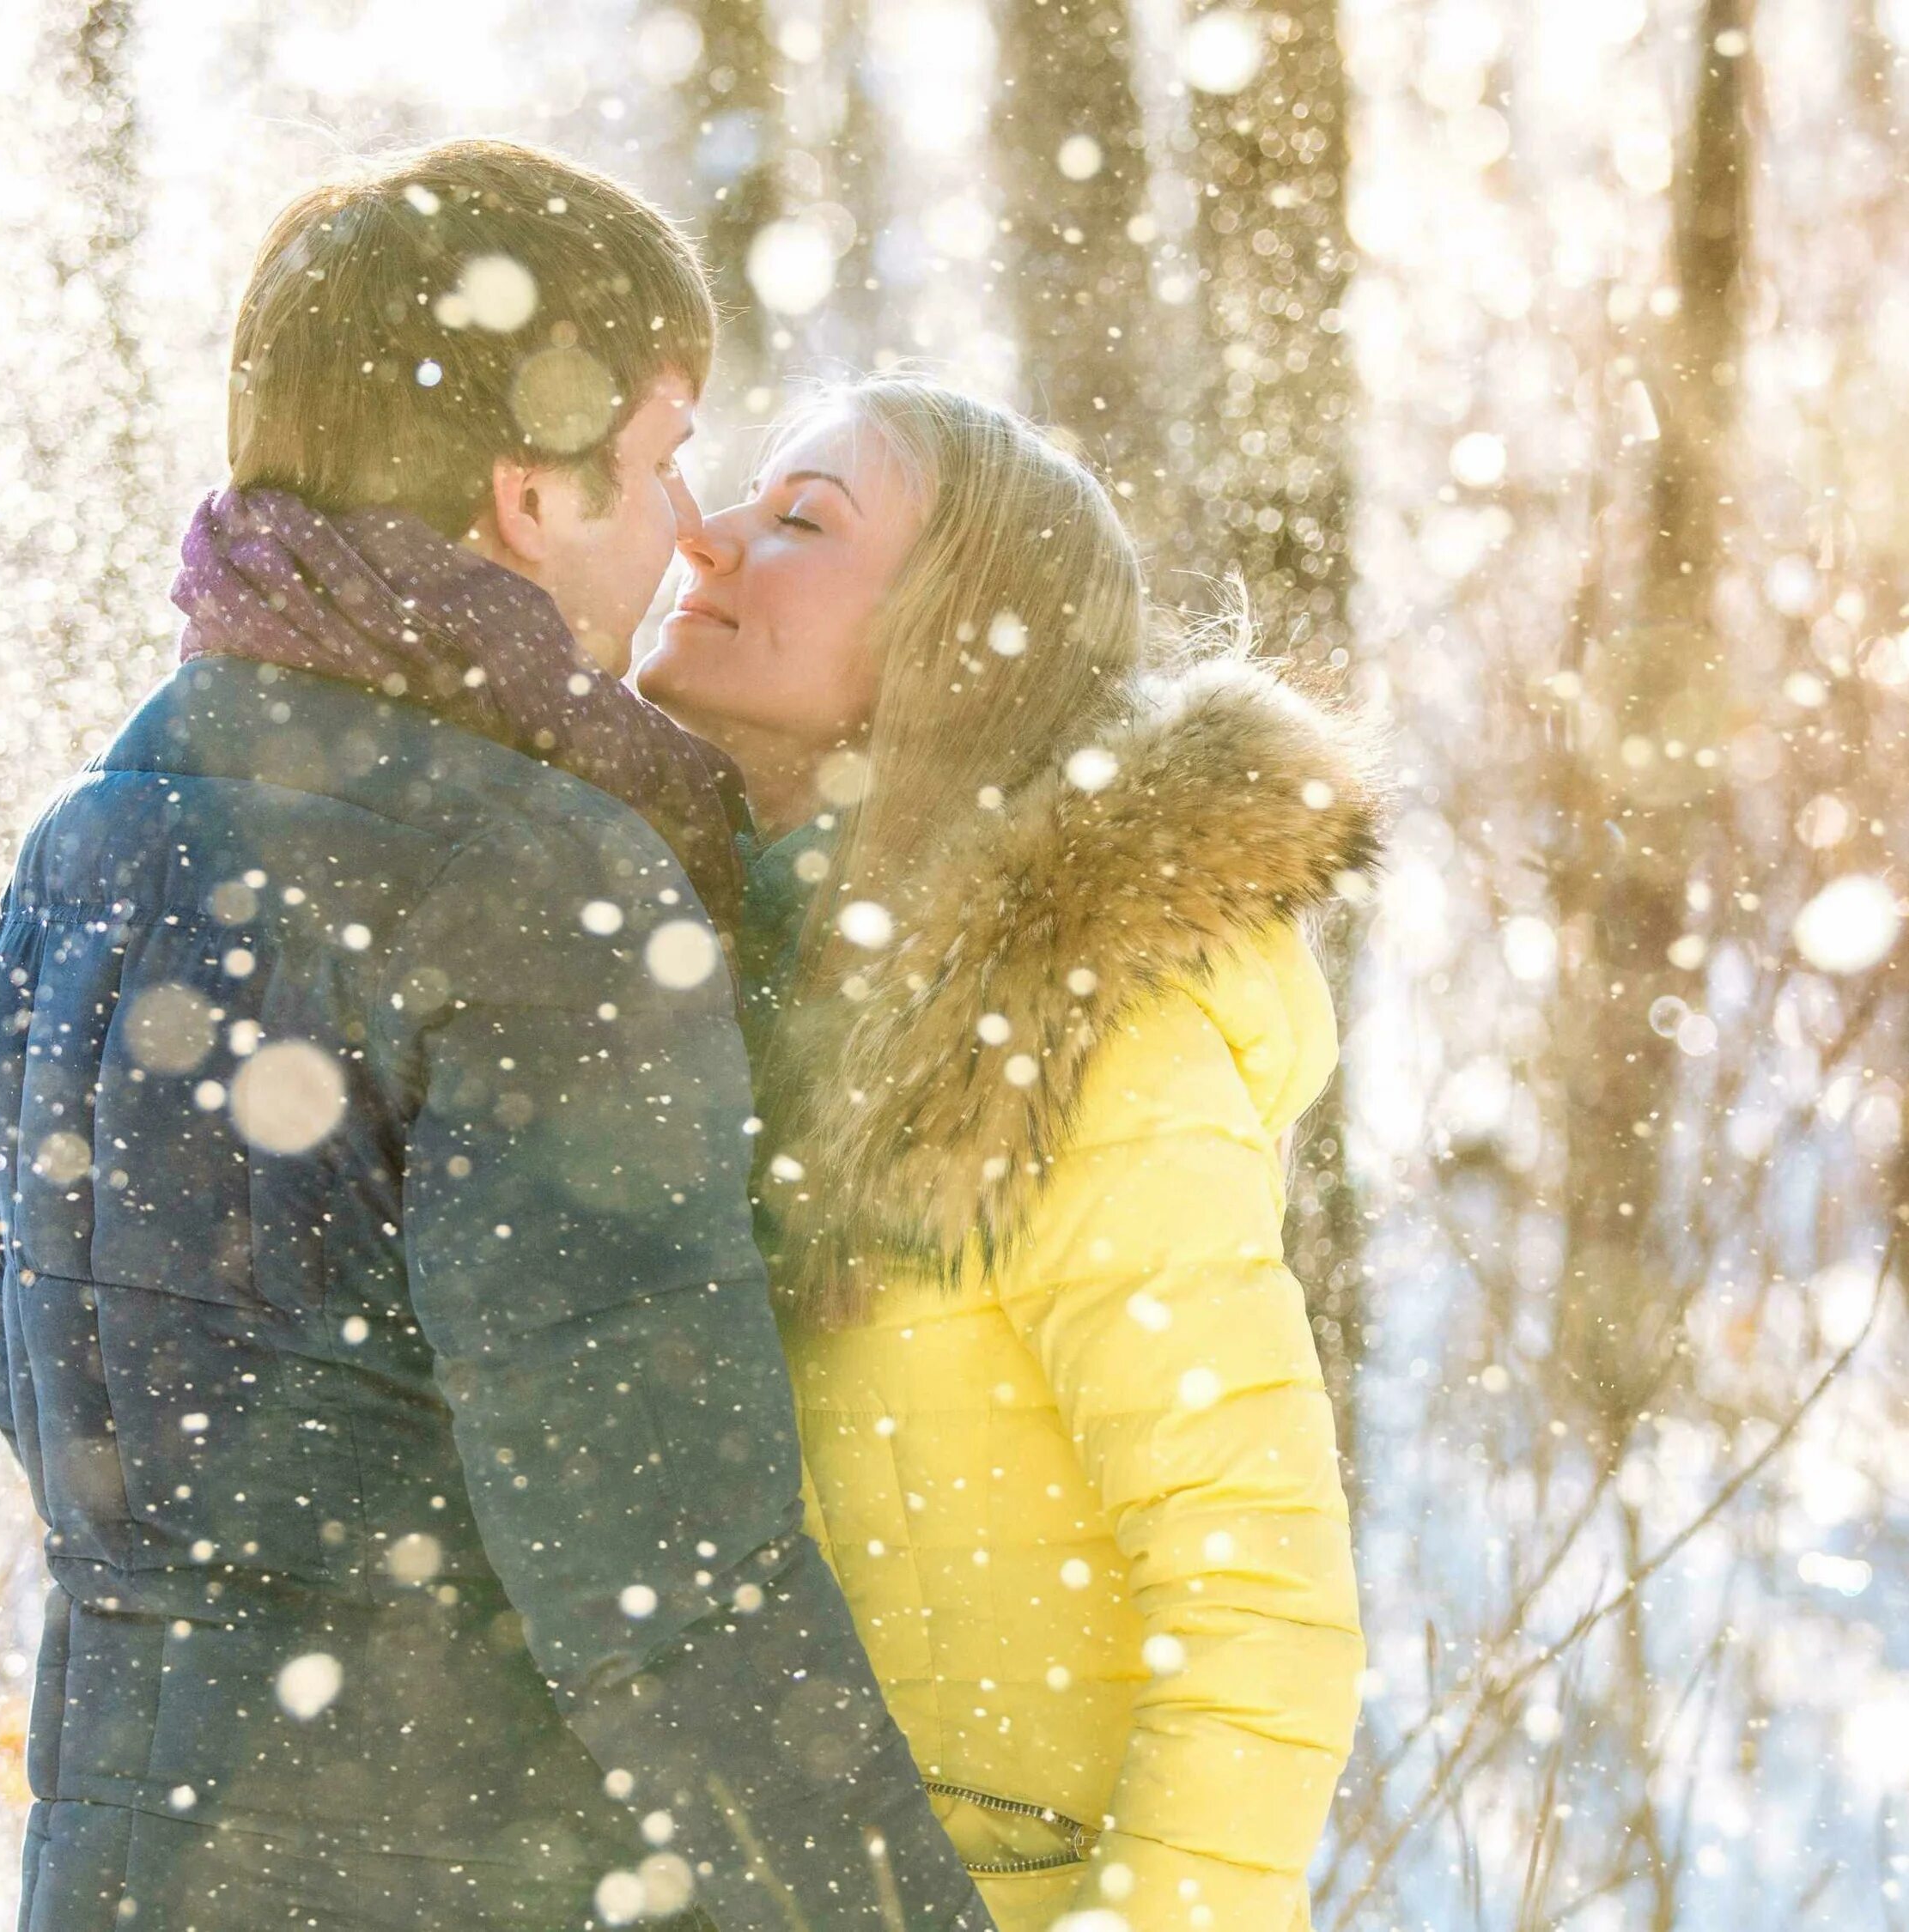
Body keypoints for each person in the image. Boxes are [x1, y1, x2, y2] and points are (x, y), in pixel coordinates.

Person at [0, 145, 996, 1932]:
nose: (693, 527)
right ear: (528, 495)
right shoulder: (538, 883)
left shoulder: (99, 830)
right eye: (670, 459)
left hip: (125, 1857)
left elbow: (74, 1420)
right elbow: (671, 1577)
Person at [639, 378, 1381, 1932]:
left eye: (801, 521)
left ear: (953, 645)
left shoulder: (1085, 1049)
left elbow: (1257, 1605)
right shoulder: (699, 992)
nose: (702, 538)